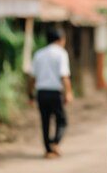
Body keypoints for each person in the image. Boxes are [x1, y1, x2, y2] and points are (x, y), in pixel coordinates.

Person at [28, 28, 73, 159]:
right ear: (60, 40)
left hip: (41, 92)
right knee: (62, 120)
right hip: (54, 92)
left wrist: (30, 94)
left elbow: (32, 78)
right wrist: (68, 93)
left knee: (45, 121)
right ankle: (55, 142)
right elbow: (64, 76)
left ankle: (48, 149)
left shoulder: (38, 54)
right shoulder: (61, 54)